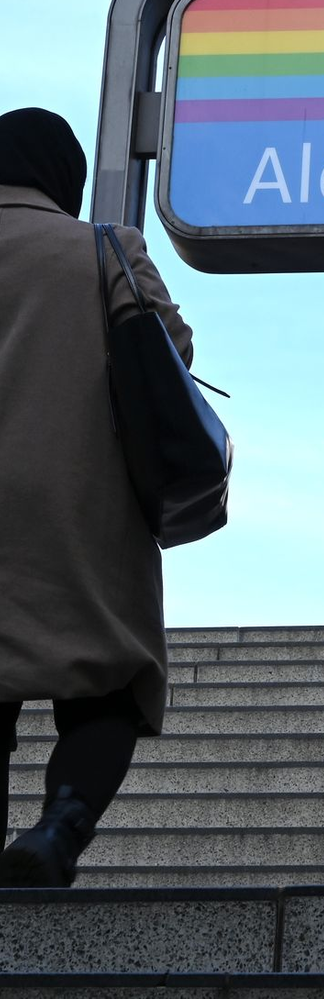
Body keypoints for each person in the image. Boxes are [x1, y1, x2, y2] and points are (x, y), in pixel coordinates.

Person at [0, 107, 194, 887]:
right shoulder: (103, 250)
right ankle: (59, 825)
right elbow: (169, 353)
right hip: (76, 503)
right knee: (113, 674)